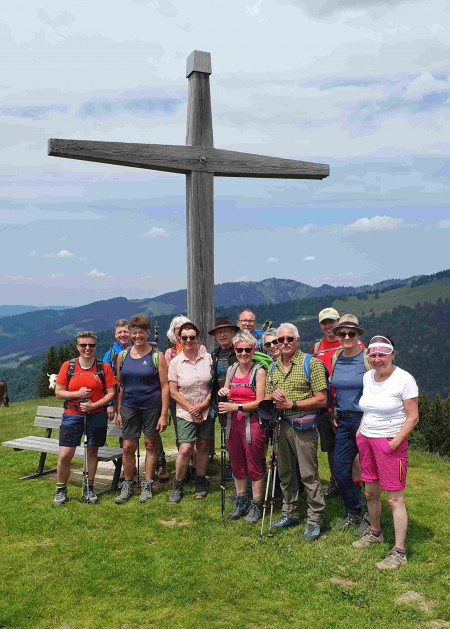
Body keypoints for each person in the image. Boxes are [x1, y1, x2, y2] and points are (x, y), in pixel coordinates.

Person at [353, 336, 419, 570]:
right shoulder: (367, 377)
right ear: (368, 356)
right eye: (373, 355)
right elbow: (367, 408)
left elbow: (413, 416)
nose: (377, 359)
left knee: (394, 499)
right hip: (367, 440)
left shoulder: (404, 379)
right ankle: (375, 533)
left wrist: (396, 441)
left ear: (393, 355)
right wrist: (361, 433)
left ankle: (399, 552)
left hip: (391, 443)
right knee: (370, 492)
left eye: (383, 354)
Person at [265, 323, 327, 542]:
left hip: (303, 427)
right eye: (280, 340)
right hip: (281, 426)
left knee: (308, 474)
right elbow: (270, 395)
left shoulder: (312, 363)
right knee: (285, 472)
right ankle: (290, 512)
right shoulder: (274, 368)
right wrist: (275, 398)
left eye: (289, 339)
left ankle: (315, 519)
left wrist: (291, 403)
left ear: (297, 340)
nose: (284, 343)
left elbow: (322, 399)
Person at [53, 331, 116, 506]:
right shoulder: (68, 366)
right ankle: (61, 489)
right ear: (77, 346)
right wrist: (77, 394)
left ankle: (89, 487)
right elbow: (59, 392)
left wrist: (94, 405)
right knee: (65, 454)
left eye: (91, 345)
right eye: (83, 345)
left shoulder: (103, 367)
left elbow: (111, 393)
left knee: (92, 452)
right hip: (72, 414)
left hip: (96, 414)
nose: (87, 348)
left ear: (95, 346)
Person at [114, 315, 169, 504]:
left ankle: (147, 484)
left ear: (147, 334)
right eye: (134, 333)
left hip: (151, 407)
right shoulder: (123, 356)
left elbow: (164, 387)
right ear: (130, 334)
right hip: (129, 406)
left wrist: (163, 414)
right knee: (128, 447)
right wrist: (119, 410)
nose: (137, 336)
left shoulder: (157, 356)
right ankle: (128, 484)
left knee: (150, 445)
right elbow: (120, 385)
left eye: (141, 333)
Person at [218, 331, 267, 523]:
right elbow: (228, 391)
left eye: (248, 350)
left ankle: (256, 503)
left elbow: (260, 402)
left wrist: (236, 406)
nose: (244, 353)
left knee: (254, 464)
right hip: (233, 424)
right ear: (235, 350)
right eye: (240, 350)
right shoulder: (231, 369)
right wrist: (224, 391)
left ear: (253, 350)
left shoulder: (259, 371)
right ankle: (241, 500)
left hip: (252, 423)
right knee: (237, 463)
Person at [331, 314, 371, 530]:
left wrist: (366, 419)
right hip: (343, 421)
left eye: (351, 333)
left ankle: (368, 515)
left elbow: (376, 389)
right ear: (337, 336)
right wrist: (334, 412)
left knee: (367, 471)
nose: (346, 336)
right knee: (340, 469)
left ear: (358, 336)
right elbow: (336, 389)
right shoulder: (336, 358)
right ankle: (353, 511)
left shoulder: (367, 358)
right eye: (342, 333)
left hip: (365, 420)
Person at [167, 322, 213, 503]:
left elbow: (213, 384)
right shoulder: (175, 363)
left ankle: (200, 481)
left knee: (202, 446)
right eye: (184, 337)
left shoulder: (208, 358)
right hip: (185, 412)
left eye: (192, 337)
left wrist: (205, 404)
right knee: (185, 448)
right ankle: (178, 484)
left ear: (198, 338)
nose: (188, 340)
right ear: (179, 339)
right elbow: (173, 391)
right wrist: (192, 409)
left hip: (206, 410)